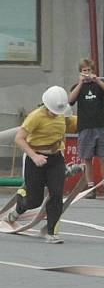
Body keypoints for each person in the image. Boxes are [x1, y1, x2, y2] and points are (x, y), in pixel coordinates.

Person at [5, 87, 72, 244]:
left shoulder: (62, 113)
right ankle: (20, 203)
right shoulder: (35, 117)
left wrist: (62, 153)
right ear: (46, 105)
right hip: (35, 159)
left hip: (55, 159)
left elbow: (62, 134)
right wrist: (34, 156)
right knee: (34, 200)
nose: (55, 114)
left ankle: (51, 232)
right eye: (52, 111)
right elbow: (19, 138)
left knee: (56, 194)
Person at [68, 58, 104, 199]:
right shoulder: (77, 87)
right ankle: (90, 187)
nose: (87, 73)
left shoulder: (98, 86)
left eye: (89, 70)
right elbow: (70, 100)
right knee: (87, 158)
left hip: (101, 126)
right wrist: (81, 83)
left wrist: (98, 80)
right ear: (80, 73)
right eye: (84, 71)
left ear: (92, 71)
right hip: (85, 127)